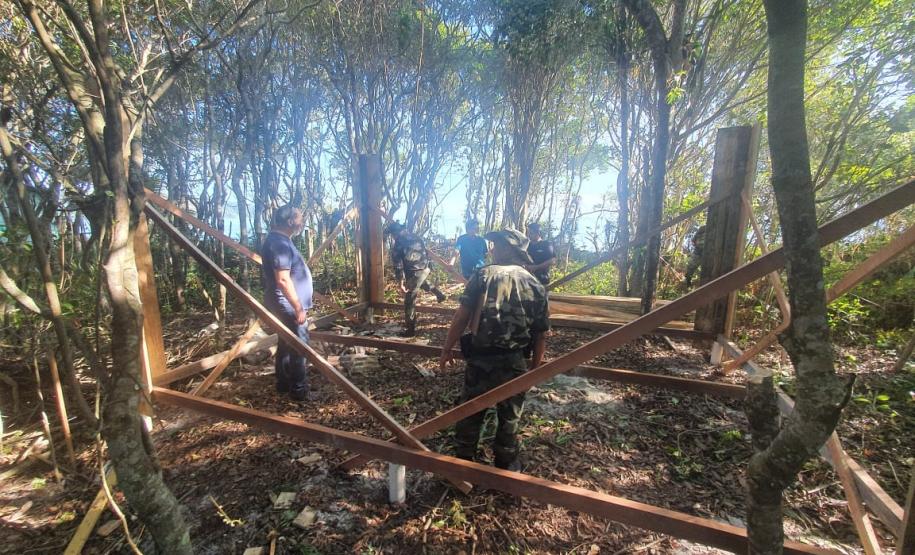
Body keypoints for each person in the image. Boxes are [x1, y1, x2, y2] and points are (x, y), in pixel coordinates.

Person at [439, 228, 550, 471]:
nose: (493, 248)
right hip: (514, 360)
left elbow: (462, 316)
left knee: (471, 411)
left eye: (497, 244)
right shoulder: (535, 284)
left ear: (509, 248)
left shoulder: (483, 275)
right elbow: (540, 333)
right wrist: (535, 368)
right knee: (509, 417)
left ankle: (463, 464)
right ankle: (505, 465)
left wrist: (447, 348)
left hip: (482, 359)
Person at [260, 205, 314, 401]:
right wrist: (298, 306)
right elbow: (283, 279)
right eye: (299, 218)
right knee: (300, 345)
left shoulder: (278, 240)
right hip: (288, 304)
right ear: (290, 221)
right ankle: (299, 390)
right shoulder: (279, 244)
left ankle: (283, 383)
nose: (302, 222)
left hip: (284, 302)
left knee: (285, 342)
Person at [386, 221, 447, 337]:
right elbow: (425, 253)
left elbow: (398, 266)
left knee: (409, 300)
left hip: (414, 273)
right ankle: (439, 294)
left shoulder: (398, 244)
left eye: (392, 235)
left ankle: (410, 330)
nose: (393, 237)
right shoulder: (416, 237)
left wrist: (401, 283)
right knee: (422, 282)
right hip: (425, 268)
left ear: (395, 233)